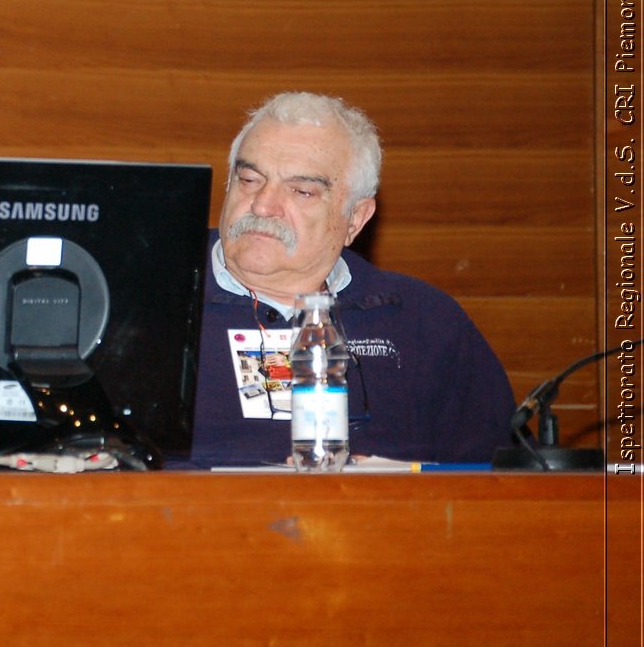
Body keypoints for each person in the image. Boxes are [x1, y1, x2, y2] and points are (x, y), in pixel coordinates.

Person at [190, 91, 515, 467]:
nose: (263, 204)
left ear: (356, 218)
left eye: (302, 191)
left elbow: (501, 483)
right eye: (249, 179)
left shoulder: (424, 323)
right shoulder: (144, 303)